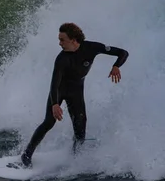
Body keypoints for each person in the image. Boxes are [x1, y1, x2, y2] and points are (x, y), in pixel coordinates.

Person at [20, 22, 129, 168]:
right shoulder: (61, 59)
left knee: (80, 127)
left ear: (73, 39)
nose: (59, 43)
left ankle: (76, 157)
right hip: (59, 91)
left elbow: (123, 53)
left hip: (76, 91)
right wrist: (55, 104)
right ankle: (27, 154)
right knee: (49, 122)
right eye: (59, 40)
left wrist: (116, 66)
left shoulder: (91, 48)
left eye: (62, 40)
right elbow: (54, 83)